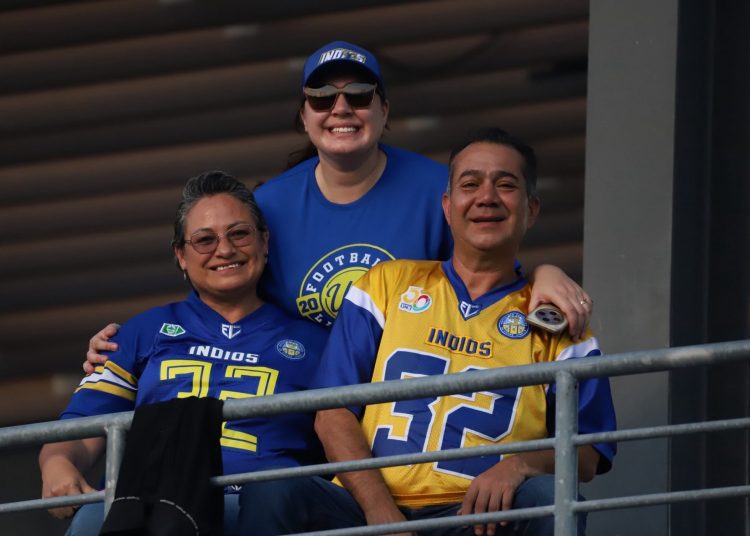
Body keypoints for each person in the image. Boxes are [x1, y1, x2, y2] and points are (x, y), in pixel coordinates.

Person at [83, 41, 593, 374]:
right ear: (304, 118)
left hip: (414, 400)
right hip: (301, 399)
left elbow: (490, 266)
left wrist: (542, 273)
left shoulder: (436, 188)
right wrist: (125, 351)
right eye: (322, 97)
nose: (341, 108)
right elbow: (215, 295)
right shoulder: (266, 205)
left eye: (360, 94)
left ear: (385, 111)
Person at [238, 128, 617, 536]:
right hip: (366, 509)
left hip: (478, 519)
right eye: (470, 184)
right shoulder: (386, 284)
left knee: (549, 496)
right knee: (273, 488)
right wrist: (381, 513)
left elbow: (588, 451)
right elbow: (332, 414)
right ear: (447, 206)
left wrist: (519, 465)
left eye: (506, 185)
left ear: (532, 209)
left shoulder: (558, 322)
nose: (487, 197)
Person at [38, 171, 329, 536]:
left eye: (239, 234)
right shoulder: (140, 332)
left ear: (264, 241)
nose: (225, 250)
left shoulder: (317, 342)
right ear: (180, 256)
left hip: (266, 511)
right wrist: (58, 464)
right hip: (159, 505)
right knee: (93, 520)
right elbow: (82, 426)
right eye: (205, 240)